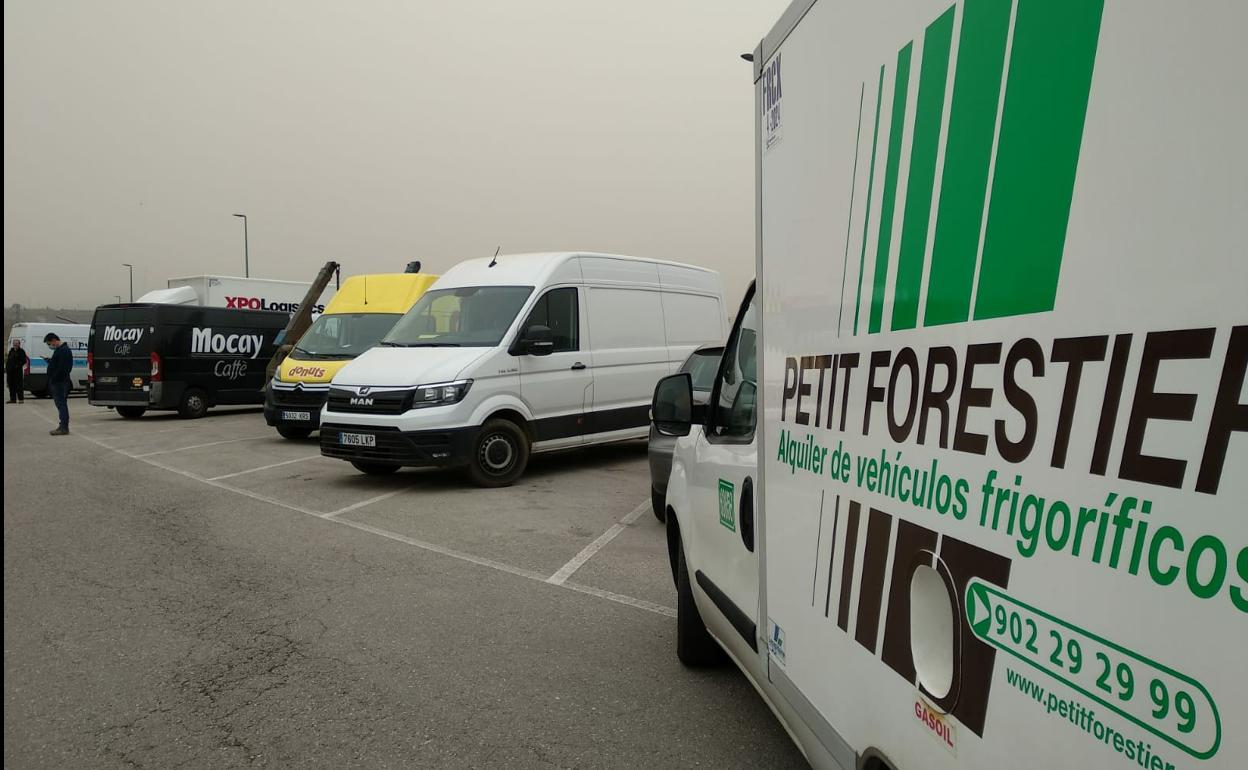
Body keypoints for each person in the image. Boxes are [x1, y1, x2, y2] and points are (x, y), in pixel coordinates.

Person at [44, 332, 73, 435]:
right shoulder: (60, 350)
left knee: (61, 404)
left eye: (49, 343)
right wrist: (50, 361)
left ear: (54, 340)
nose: (50, 346)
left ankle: (64, 427)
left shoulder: (63, 350)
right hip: (59, 381)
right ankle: (63, 426)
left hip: (60, 382)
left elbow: (64, 368)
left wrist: (54, 378)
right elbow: (58, 364)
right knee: (60, 404)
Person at [6, 339, 29, 403]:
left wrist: (17, 366)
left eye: (16, 343)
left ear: (19, 344)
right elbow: (8, 360)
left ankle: (21, 399)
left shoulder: (21, 351)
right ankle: (13, 399)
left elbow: (24, 361)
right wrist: (7, 368)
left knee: (19, 386)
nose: (15, 345)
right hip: (10, 372)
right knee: (11, 386)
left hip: (17, 372)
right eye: (14, 343)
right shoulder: (11, 351)